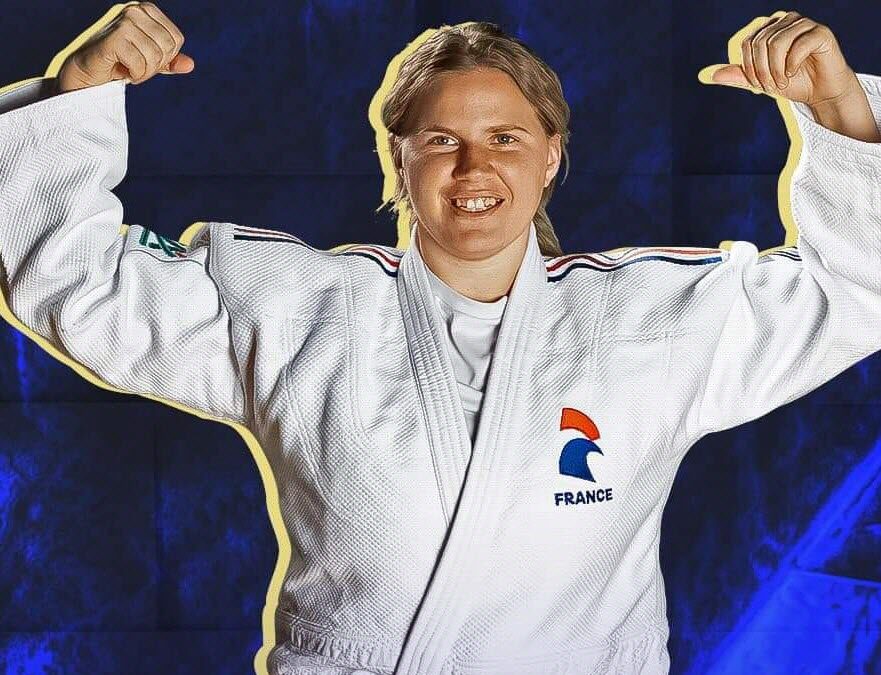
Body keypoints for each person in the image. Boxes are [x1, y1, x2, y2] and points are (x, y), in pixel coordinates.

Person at [1, 3, 880, 674]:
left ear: (550, 156)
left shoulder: (652, 319)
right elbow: (74, 287)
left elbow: (858, 290)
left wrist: (838, 110)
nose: (474, 167)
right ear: (399, 159)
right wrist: (80, 91)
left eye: (505, 137)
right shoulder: (294, 308)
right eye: (440, 140)